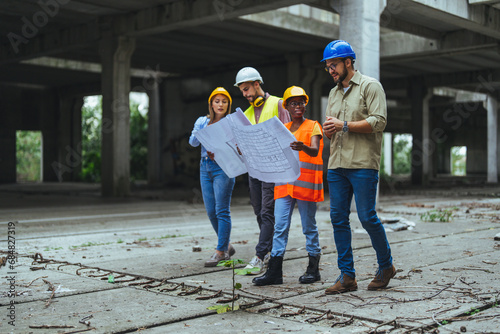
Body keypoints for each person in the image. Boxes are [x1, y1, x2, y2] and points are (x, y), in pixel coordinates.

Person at [321, 40, 396, 294]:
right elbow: (334, 129)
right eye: (328, 66)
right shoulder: (333, 93)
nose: (331, 70)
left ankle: (386, 266)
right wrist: (329, 130)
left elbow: (379, 121)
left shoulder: (370, 86)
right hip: (337, 165)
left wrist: (343, 125)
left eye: (334, 65)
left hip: (363, 164)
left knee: (366, 217)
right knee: (338, 219)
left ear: (348, 62)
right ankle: (347, 276)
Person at [253, 86, 324, 286]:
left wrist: (303, 147)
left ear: (305, 105)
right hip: (284, 185)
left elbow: (314, 150)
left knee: (309, 227)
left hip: (305, 186)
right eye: (293, 103)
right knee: (280, 228)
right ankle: (275, 272)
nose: (298, 106)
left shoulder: (313, 126)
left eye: (301, 102)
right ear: (287, 106)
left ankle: (313, 269)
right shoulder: (281, 128)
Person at [234, 67, 291, 274]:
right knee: (259, 210)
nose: (245, 94)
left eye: (247, 88)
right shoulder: (246, 114)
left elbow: (289, 132)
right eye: (242, 90)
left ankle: (260, 255)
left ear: (257, 84)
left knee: (268, 211)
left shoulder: (278, 104)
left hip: (274, 168)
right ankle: (271, 249)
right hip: (254, 168)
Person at [189, 87, 236, 267]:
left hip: (223, 168)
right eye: (217, 101)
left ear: (228, 105)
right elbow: (192, 142)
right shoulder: (202, 121)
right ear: (211, 104)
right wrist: (204, 131)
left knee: (222, 210)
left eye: (224, 101)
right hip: (205, 167)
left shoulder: (231, 122)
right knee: (210, 211)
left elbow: (236, 147)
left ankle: (220, 251)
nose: (220, 104)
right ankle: (226, 245)